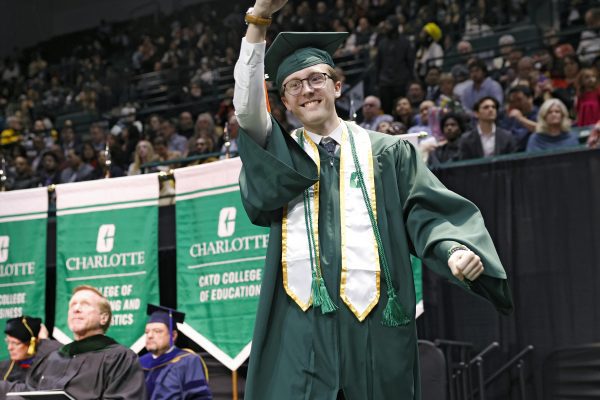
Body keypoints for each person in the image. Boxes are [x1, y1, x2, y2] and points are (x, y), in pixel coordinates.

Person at [233, 2, 512, 399]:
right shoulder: (280, 158)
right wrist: (258, 19)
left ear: (337, 86)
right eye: (294, 85)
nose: (307, 89)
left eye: (315, 78)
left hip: (375, 324)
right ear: (286, 102)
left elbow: (425, 211)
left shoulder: (388, 152)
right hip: (301, 328)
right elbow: (246, 110)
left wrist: (452, 249)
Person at [0, 286, 146, 398]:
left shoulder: (120, 358)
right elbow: (28, 392)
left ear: (104, 317)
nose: (76, 309)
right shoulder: (52, 358)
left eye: (85, 304)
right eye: (72, 305)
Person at [140, 305, 212, 400]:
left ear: (173, 336)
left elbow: (199, 397)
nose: (150, 336)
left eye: (157, 331)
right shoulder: (139, 363)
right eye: (147, 332)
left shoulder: (188, 361)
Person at [0, 317, 60, 383]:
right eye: (8, 342)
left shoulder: (46, 369)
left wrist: (44, 340)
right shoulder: (3, 369)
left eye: (16, 343)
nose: (9, 348)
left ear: (32, 343)